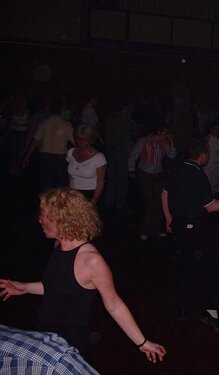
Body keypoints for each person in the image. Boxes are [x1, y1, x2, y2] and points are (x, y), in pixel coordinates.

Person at [0, 189, 166, 362]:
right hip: (43, 331)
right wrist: (24, 287)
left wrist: (143, 342)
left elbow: (114, 305)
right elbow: (57, 288)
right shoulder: (59, 246)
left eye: (45, 216)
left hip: (68, 345)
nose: (40, 220)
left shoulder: (91, 261)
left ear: (63, 219)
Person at [161, 139, 219, 335]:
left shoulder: (176, 168)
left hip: (179, 225)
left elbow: (164, 193)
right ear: (203, 156)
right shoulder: (198, 176)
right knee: (212, 269)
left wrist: (168, 217)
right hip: (194, 228)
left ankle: (183, 308)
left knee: (185, 266)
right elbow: (211, 207)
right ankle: (212, 314)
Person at [128, 124, 176, 240]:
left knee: (159, 203)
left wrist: (171, 141)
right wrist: (131, 170)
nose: (166, 135)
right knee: (150, 203)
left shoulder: (164, 143)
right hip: (145, 175)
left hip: (158, 175)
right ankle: (144, 230)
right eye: (165, 133)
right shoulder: (143, 141)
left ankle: (157, 229)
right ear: (159, 132)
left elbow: (172, 155)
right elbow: (133, 156)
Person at [0, 324, 99, 374]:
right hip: (48, 325)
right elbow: (54, 289)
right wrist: (25, 288)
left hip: (72, 330)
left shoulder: (57, 363)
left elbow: (114, 306)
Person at [23, 97, 75, 192]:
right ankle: (61, 206)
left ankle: (46, 206)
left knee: (46, 186)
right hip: (60, 158)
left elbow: (35, 141)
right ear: (61, 110)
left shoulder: (44, 123)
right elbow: (75, 142)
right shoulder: (67, 125)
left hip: (46, 157)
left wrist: (27, 156)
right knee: (61, 186)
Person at [104, 97, 133, 210]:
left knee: (112, 177)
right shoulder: (124, 119)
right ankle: (120, 204)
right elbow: (126, 134)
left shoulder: (108, 118)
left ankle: (108, 201)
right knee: (122, 178)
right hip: (120, 149)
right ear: (124, 107)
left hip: (109, 148)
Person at [67, 125, 107, 205]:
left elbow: (100, 182)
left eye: (84, 140)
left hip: (90, 194)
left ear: (91, 140)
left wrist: (94, 200)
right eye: (78, 139)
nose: (81, 142)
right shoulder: (71, 152)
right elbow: (70, 175)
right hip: (73, 193)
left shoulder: (99, 157)